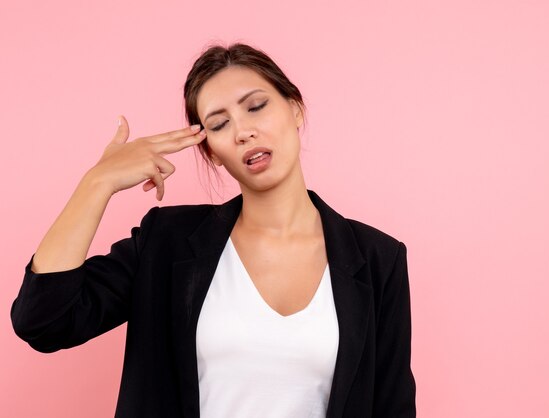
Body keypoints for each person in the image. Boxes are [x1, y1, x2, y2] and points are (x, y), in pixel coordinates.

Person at [10, 43, 416, 418]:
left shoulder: (378, 259)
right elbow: (44, 320)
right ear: (211, 153)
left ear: (295, 109)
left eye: (256, 106)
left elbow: (393, 406)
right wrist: (97, 183)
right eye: (220, 125)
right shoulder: (165, 244)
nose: (243, 131)